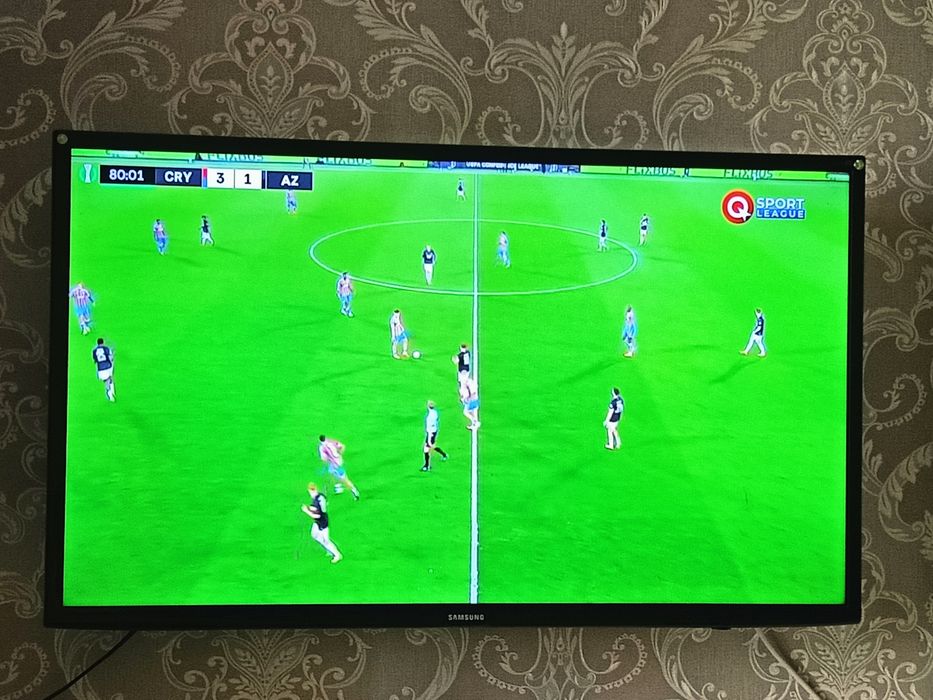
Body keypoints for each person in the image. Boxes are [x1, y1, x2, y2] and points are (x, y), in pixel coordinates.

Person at [301, 482, 342, 563]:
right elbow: (317, 507)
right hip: (322, 519)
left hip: (322, 523)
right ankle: (328, 549)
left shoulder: (316, 500)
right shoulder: (320, 496)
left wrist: (306, 511)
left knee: (326, 541)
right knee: (314, 534)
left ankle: (337, 555)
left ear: (311, 491)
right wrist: (309, 508)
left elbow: (316, 516)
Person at [318, 435, 360, 499]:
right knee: (331, 472)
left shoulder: (322, 447)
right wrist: (340, 454)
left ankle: (354, 490)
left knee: (344, 479)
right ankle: (338, 486)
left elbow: (324, 459)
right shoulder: (331, 441)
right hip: (339, 461)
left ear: (320, 440)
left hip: (335, 465)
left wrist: (328, 459)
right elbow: (342, 446)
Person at [421, 400, 449, 471]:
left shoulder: (429, 417)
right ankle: (444, 455)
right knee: (430, 447)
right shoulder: (435, 412)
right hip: (434, 431)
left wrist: (429, 440)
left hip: (430, 433)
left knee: (427, 448)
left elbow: (429, 428)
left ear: (428, 406)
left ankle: (427, 466)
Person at [92, 337, 115, 402]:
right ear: (103, 342)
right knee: (110, 378)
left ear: (97, 343)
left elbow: (95, 361)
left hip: (101, 369)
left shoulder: (94, 351)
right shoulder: (106, 348)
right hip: (108, 367)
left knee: (106, 380)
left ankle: (110, 392)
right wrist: (113, 354)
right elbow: (111, 358)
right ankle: (111, 392)